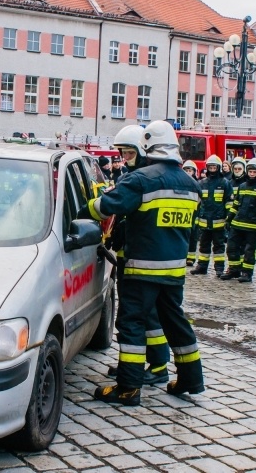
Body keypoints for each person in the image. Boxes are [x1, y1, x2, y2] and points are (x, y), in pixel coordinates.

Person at [86, 120, 203, 405]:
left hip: (142, 269)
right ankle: (191, 378)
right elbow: (192, 230)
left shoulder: (142, 179)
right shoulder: (192, 185)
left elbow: (105, 207)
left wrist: (85, 207)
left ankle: (128, 388)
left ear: (147, 146)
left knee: (132, 324)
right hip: (174, 271)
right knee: (175, 321)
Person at [106, 125, 171, 387]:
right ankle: (129, 366)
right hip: (129, 256)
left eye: (129, 153)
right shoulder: (129, 177)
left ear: (143, 152)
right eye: (122, 153)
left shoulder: (144, 180)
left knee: (146, 317)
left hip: (143, 260)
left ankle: (157, 367)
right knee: (131, 315)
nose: (125, 158)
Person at [220, 158, 256, 282]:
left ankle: (247, 273)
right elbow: (235, 205)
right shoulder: (242, 186)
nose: (252, 174)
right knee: (231, 247)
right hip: (237, 224)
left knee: (249, 251)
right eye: (250, 172)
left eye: (254, 172)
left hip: (253, 226)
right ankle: (234, 270)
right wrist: (229, 219)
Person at [191, 155, 233, 277]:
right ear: (207, 168)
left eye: (215, 167)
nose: (213, 169)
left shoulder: (225, 183)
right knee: (203, 245)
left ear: (218, 168)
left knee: (219, 247)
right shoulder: (202, 183)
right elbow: (197, 202)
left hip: (219, 221)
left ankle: (219, 268)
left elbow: (229, 202)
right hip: (204, 220)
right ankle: (202, 266)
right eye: (210, 167)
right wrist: (196, 218)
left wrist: (228, 218)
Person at [183, 160, 200, 267]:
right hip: (184, 213)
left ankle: (191, 257)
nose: (188, 172)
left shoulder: (197, 184)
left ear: (194, 172)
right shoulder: (180, 183)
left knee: (193, 236)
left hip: (195, 213)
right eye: (186, 170)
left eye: (190, 170)